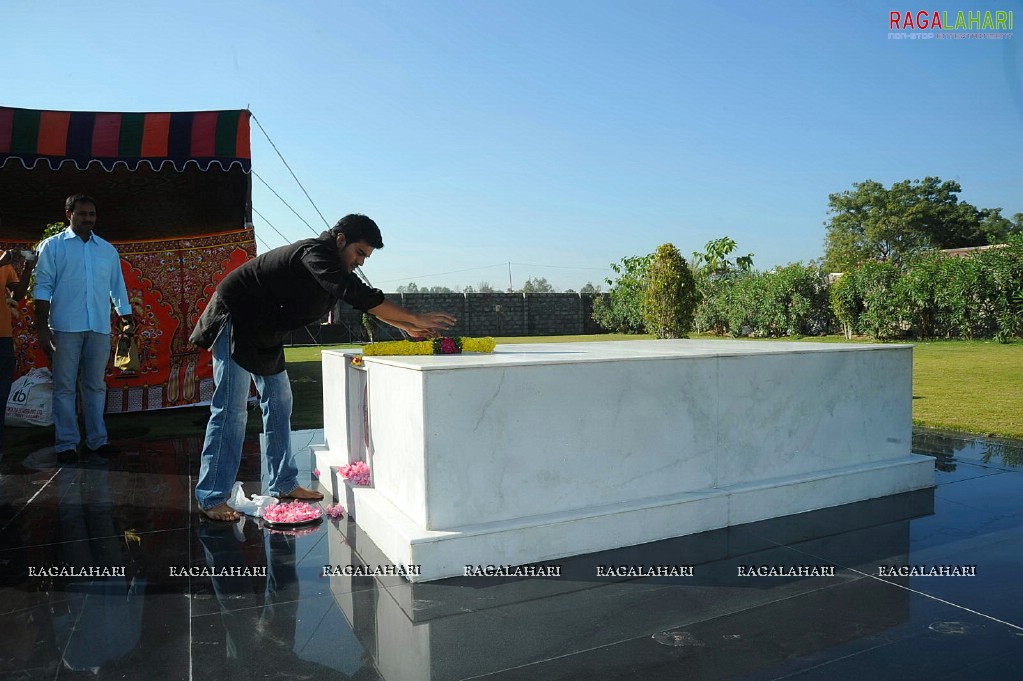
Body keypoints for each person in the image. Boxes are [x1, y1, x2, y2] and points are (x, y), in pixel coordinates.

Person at [190, 214, 455, 521]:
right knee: (231, 410)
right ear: (340, 239)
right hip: (237, 317)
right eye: (359, 253)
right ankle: (211, 496)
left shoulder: (336, 267)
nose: (361, 262)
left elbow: (362, 300)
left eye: (366, 257)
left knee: (280, 404)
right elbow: (359, 294)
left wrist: (408, 326)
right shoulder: (315, 254)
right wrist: (415, 317)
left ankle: (284, 482)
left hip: (265, 330)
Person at [33, 194, 135, 464]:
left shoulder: (107, 250)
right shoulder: (52, 247)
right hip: (65, 327)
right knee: (64, 386)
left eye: (92, 214)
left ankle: (97, 440)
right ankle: (66, 443)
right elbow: (42, 287)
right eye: (82, 213)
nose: (88, 218)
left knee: (95, 386)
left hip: (99, 327)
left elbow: (118, 287)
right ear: (69, 214)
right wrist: (42, 329)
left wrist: (126, 318)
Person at [0, 213, 37, 457]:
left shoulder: (3, 261)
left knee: (1, 392)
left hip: (3, 336)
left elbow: (17, 296)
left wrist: (27, 269)